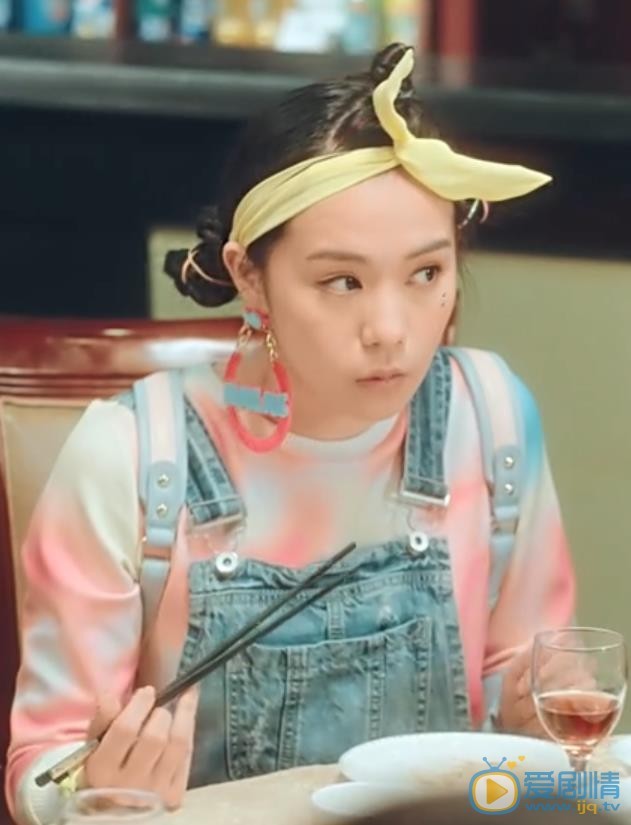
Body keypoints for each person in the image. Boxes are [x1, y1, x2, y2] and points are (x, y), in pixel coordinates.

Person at [6, 42, 575, 825]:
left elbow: (521, 676)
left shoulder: (492, 417)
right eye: (341, 281)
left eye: (425, 274)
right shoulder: (133, 455)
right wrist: (93, 790)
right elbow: (42, 764)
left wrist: (539, 714)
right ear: (250, 275)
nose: (390, 329)